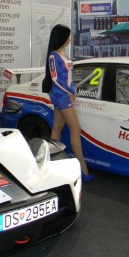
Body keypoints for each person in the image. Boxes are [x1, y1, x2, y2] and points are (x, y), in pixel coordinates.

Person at [42, 24, 93, 182]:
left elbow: (67, 77)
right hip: (62, 96)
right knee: (75, 129)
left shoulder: (61, 53)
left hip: (64, 95)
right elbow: (56, 79)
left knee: (57, 127)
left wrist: (72, 90)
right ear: (61, 37)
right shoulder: (53, 55)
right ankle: (82, 169)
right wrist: (71, 92)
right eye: (68, 36)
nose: (70, 39)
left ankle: (52, 163)